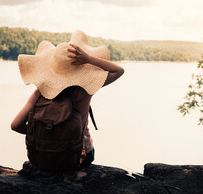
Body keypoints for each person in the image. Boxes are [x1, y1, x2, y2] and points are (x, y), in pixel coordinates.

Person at [11, 30, 124, 170]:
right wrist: (88, 59)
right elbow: (119, 71)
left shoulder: (41, 92)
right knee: (86, 152)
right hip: (78, 157)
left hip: (43, 156)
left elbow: (15, 125)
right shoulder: (85, 89)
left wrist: (47, 137)